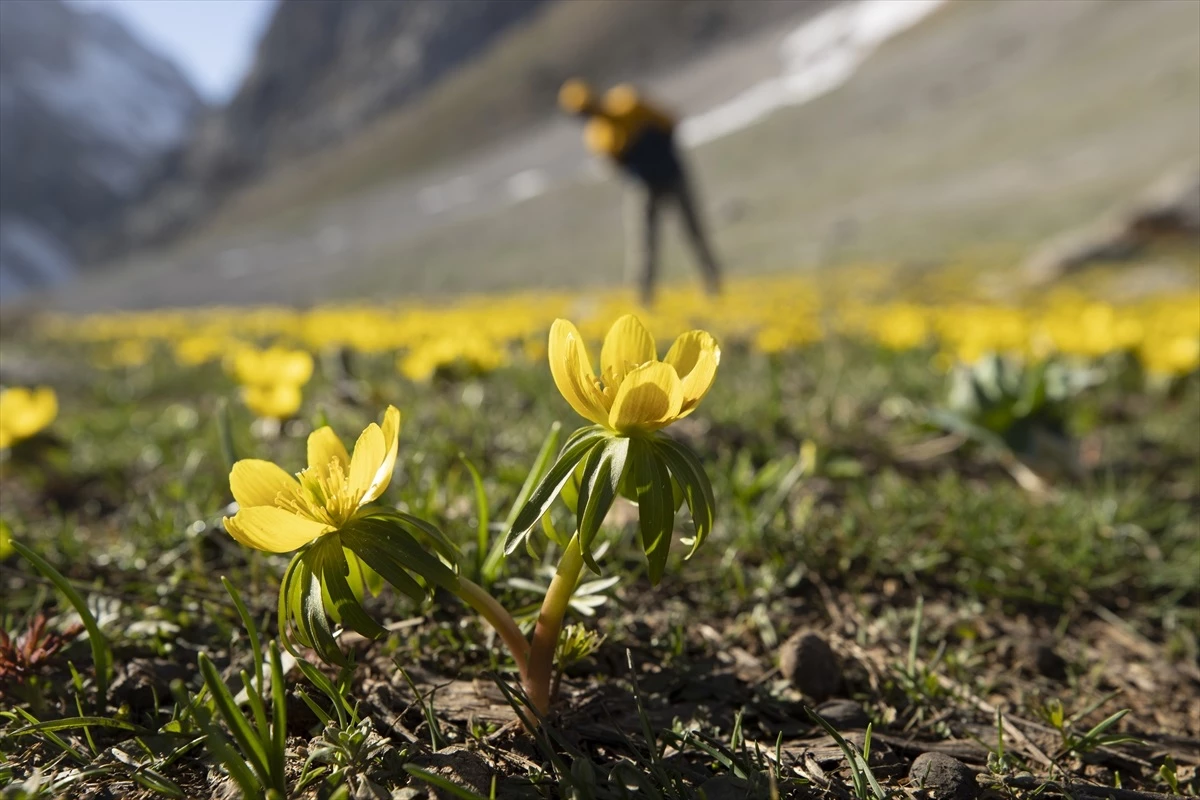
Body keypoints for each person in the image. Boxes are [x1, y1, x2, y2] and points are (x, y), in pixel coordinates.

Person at [558, 79, 722, 306]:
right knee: (644, 245)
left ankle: (712, 285)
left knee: (691, 233)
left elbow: (669, 123)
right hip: (645, 186)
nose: (588, 113)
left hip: (671, 175)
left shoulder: (627, 103)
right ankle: (644, 299)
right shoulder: (598, 135)